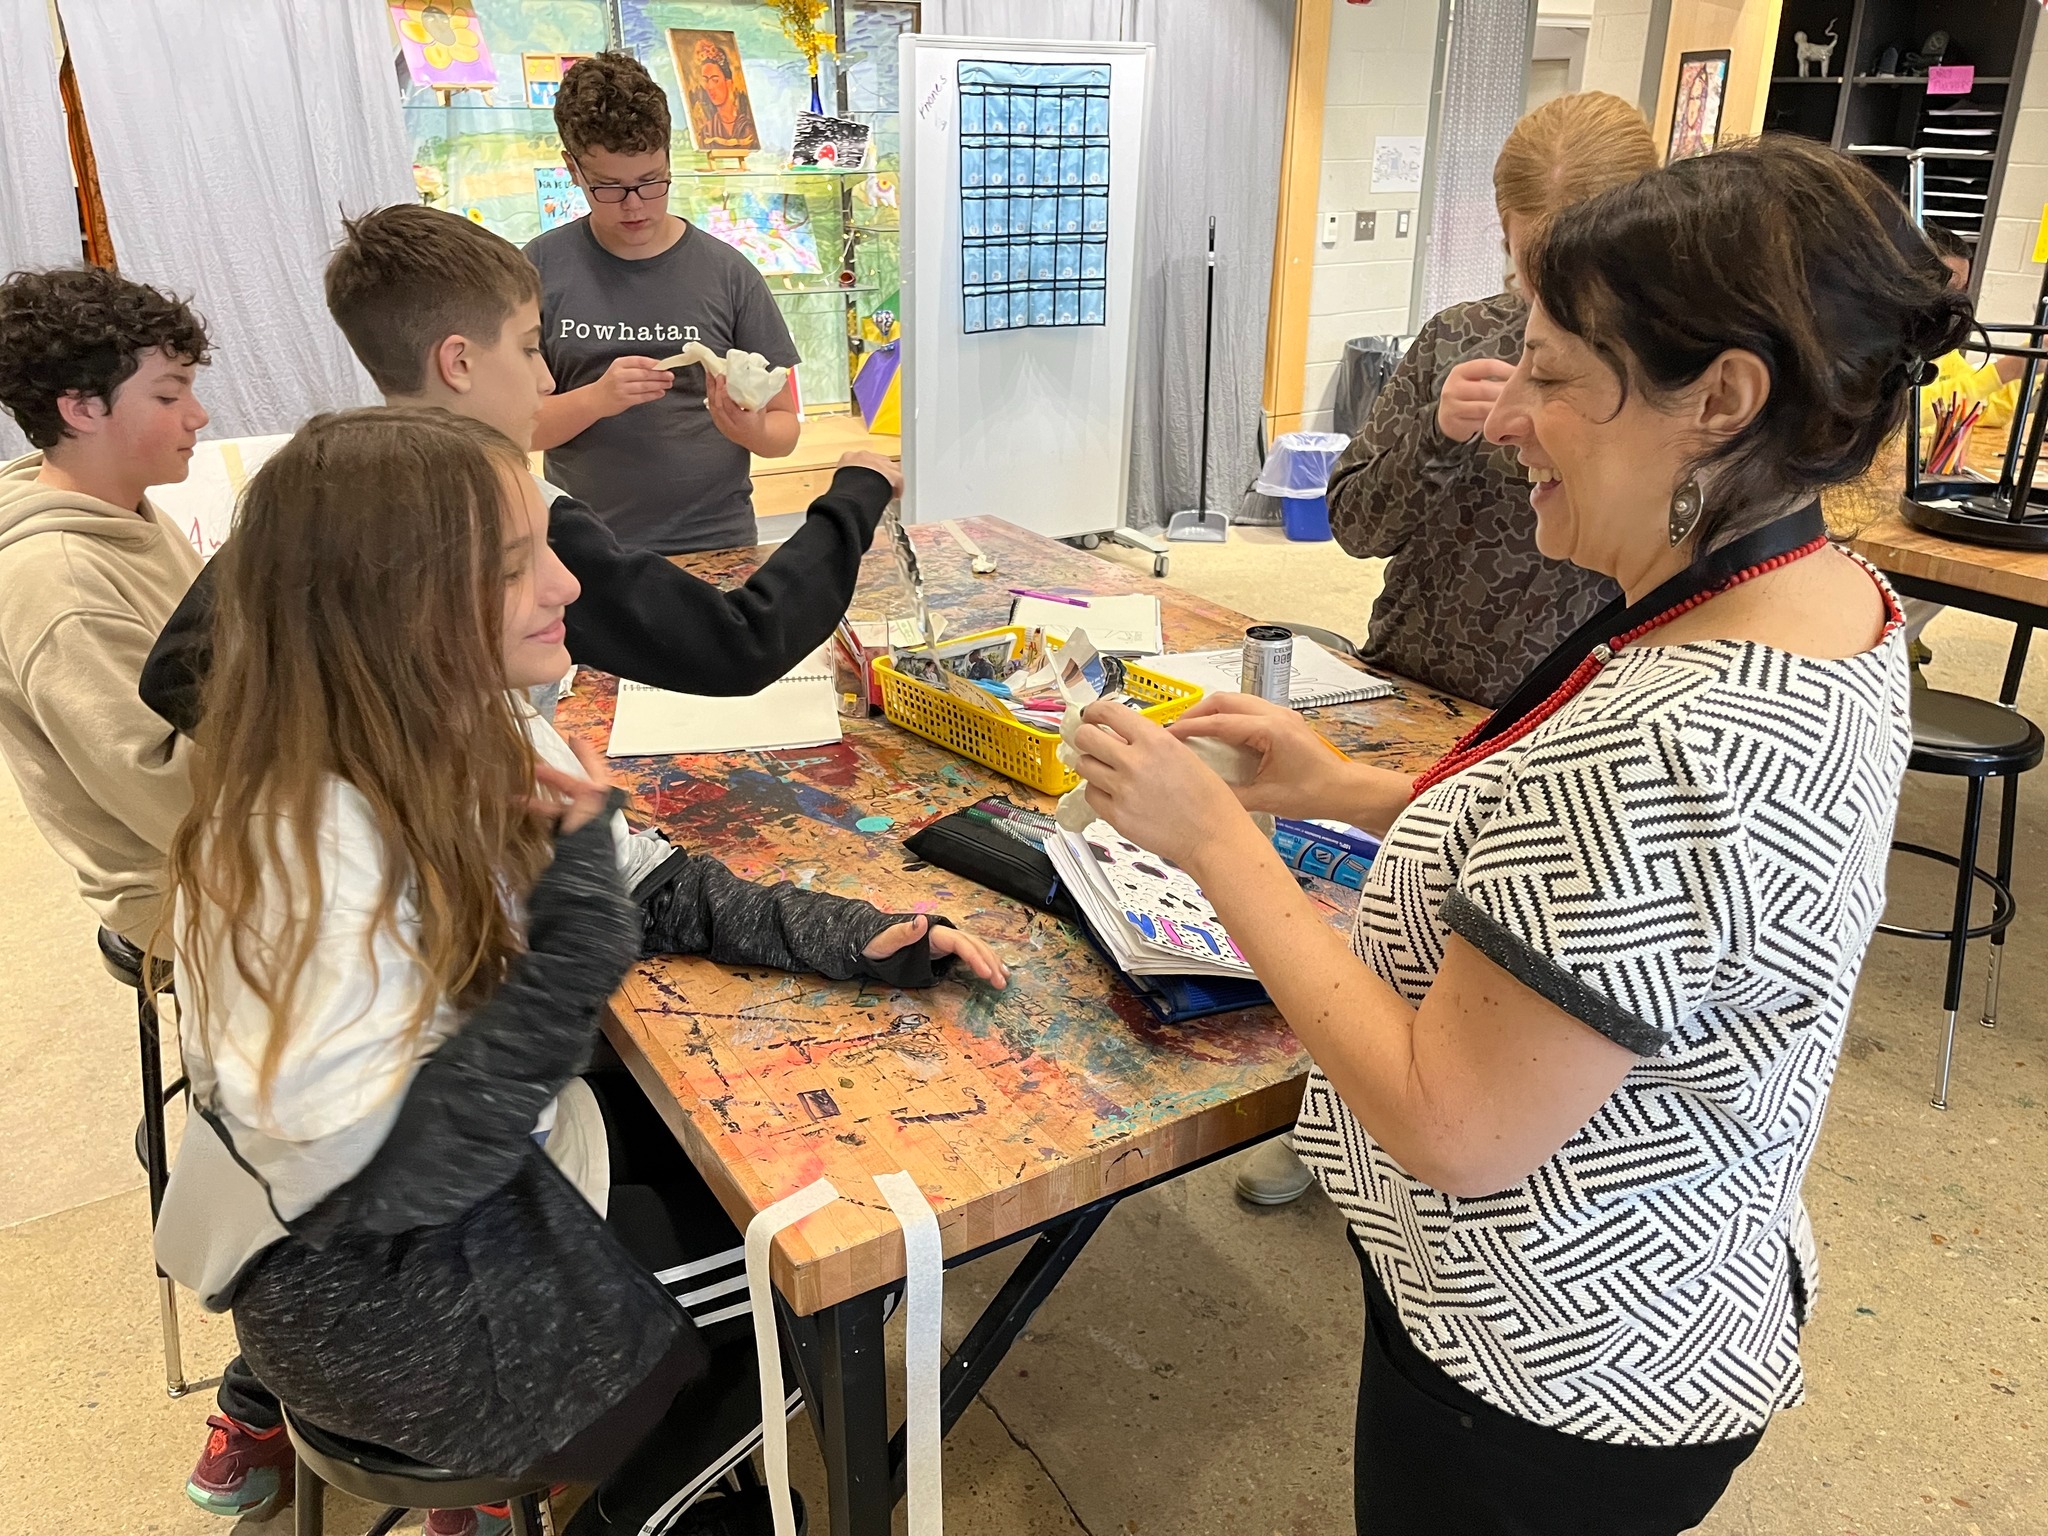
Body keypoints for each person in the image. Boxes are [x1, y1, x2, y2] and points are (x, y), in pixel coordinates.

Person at [1064, 137, 1965, 1534]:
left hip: (1547, 1374)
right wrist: (1341, 790)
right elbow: (1646, 906)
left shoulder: (1671, 735)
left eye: (1552, 379)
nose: (1508, 421)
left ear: (1720, 400)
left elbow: (1457, 1122)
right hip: (1682, 1289)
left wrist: (1220, 851)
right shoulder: (1816, 595)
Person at [138, 203, 897, 1523]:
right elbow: (423, 1169)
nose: (571, 588)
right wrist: (584, 909)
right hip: (410, 1312)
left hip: (401, 1227)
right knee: (805, 1278)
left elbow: (628, 860)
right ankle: (646, 1491)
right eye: (522, 562)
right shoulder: (316, 851)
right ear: (408, 598)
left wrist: (825, 927)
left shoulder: (421, 716)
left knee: (705, 1152)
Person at [1244, 91, 1657, 1207]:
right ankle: (1332, 1114)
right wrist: (1432, 433)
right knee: (1361, 924)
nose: (1542, 301)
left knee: (1499, 964)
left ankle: (1462, 1140)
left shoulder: (1660, 378)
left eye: (1575, 269)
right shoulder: (1453, 343)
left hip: (1559, 707)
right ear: (1498, 231)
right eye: (1529, 268)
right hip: (1408, 673)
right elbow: (1351, 523)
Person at [141, 203, 889, 738]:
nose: (543, 379)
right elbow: (739, 642)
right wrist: (855, 492)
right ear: (459, 361)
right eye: (531, 348)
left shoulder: (319, 487)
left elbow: (176, 672)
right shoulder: (513, 513)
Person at [0, 266, 209, 951]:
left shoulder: (127, 513)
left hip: (235, 811)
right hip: (181, 884)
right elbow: (175, 802)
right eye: (169, 394)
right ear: (82, 408)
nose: (197, 415)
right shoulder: (57, 583)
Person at [529, 52, 798, 554]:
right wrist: (596, 398)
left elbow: (785, 430)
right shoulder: (539, 270)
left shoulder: (728, 272)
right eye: (608, 187)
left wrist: (751, 427)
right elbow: (515, 428)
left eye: (652, 181)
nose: (635, 206)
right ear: (572, 168)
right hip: (586, 554)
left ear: (670, 158)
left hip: (716, 544)